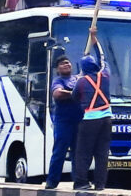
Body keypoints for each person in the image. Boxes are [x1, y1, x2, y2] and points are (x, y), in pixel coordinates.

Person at [72, 40, 112, 191]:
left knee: (83, 153)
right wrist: (95, 41)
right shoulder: (105, 75)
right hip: (107, 120)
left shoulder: (81, 82)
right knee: (102, 154)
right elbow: (103, 58)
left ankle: (81, 182)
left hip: (89, 120)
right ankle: (100, 184)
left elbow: (75, 97)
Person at [45, 55, 83, 189]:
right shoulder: (58, 80)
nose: (66, 65)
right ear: (57, 69)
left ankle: (79, 182)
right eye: (62, 64)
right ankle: (52, 181)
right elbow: (58, 94)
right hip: (63, 122)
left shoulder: (78, 78)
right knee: (59, 151)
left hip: (79, 121)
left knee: (78, 153)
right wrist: (74, 92)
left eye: (67, 62)